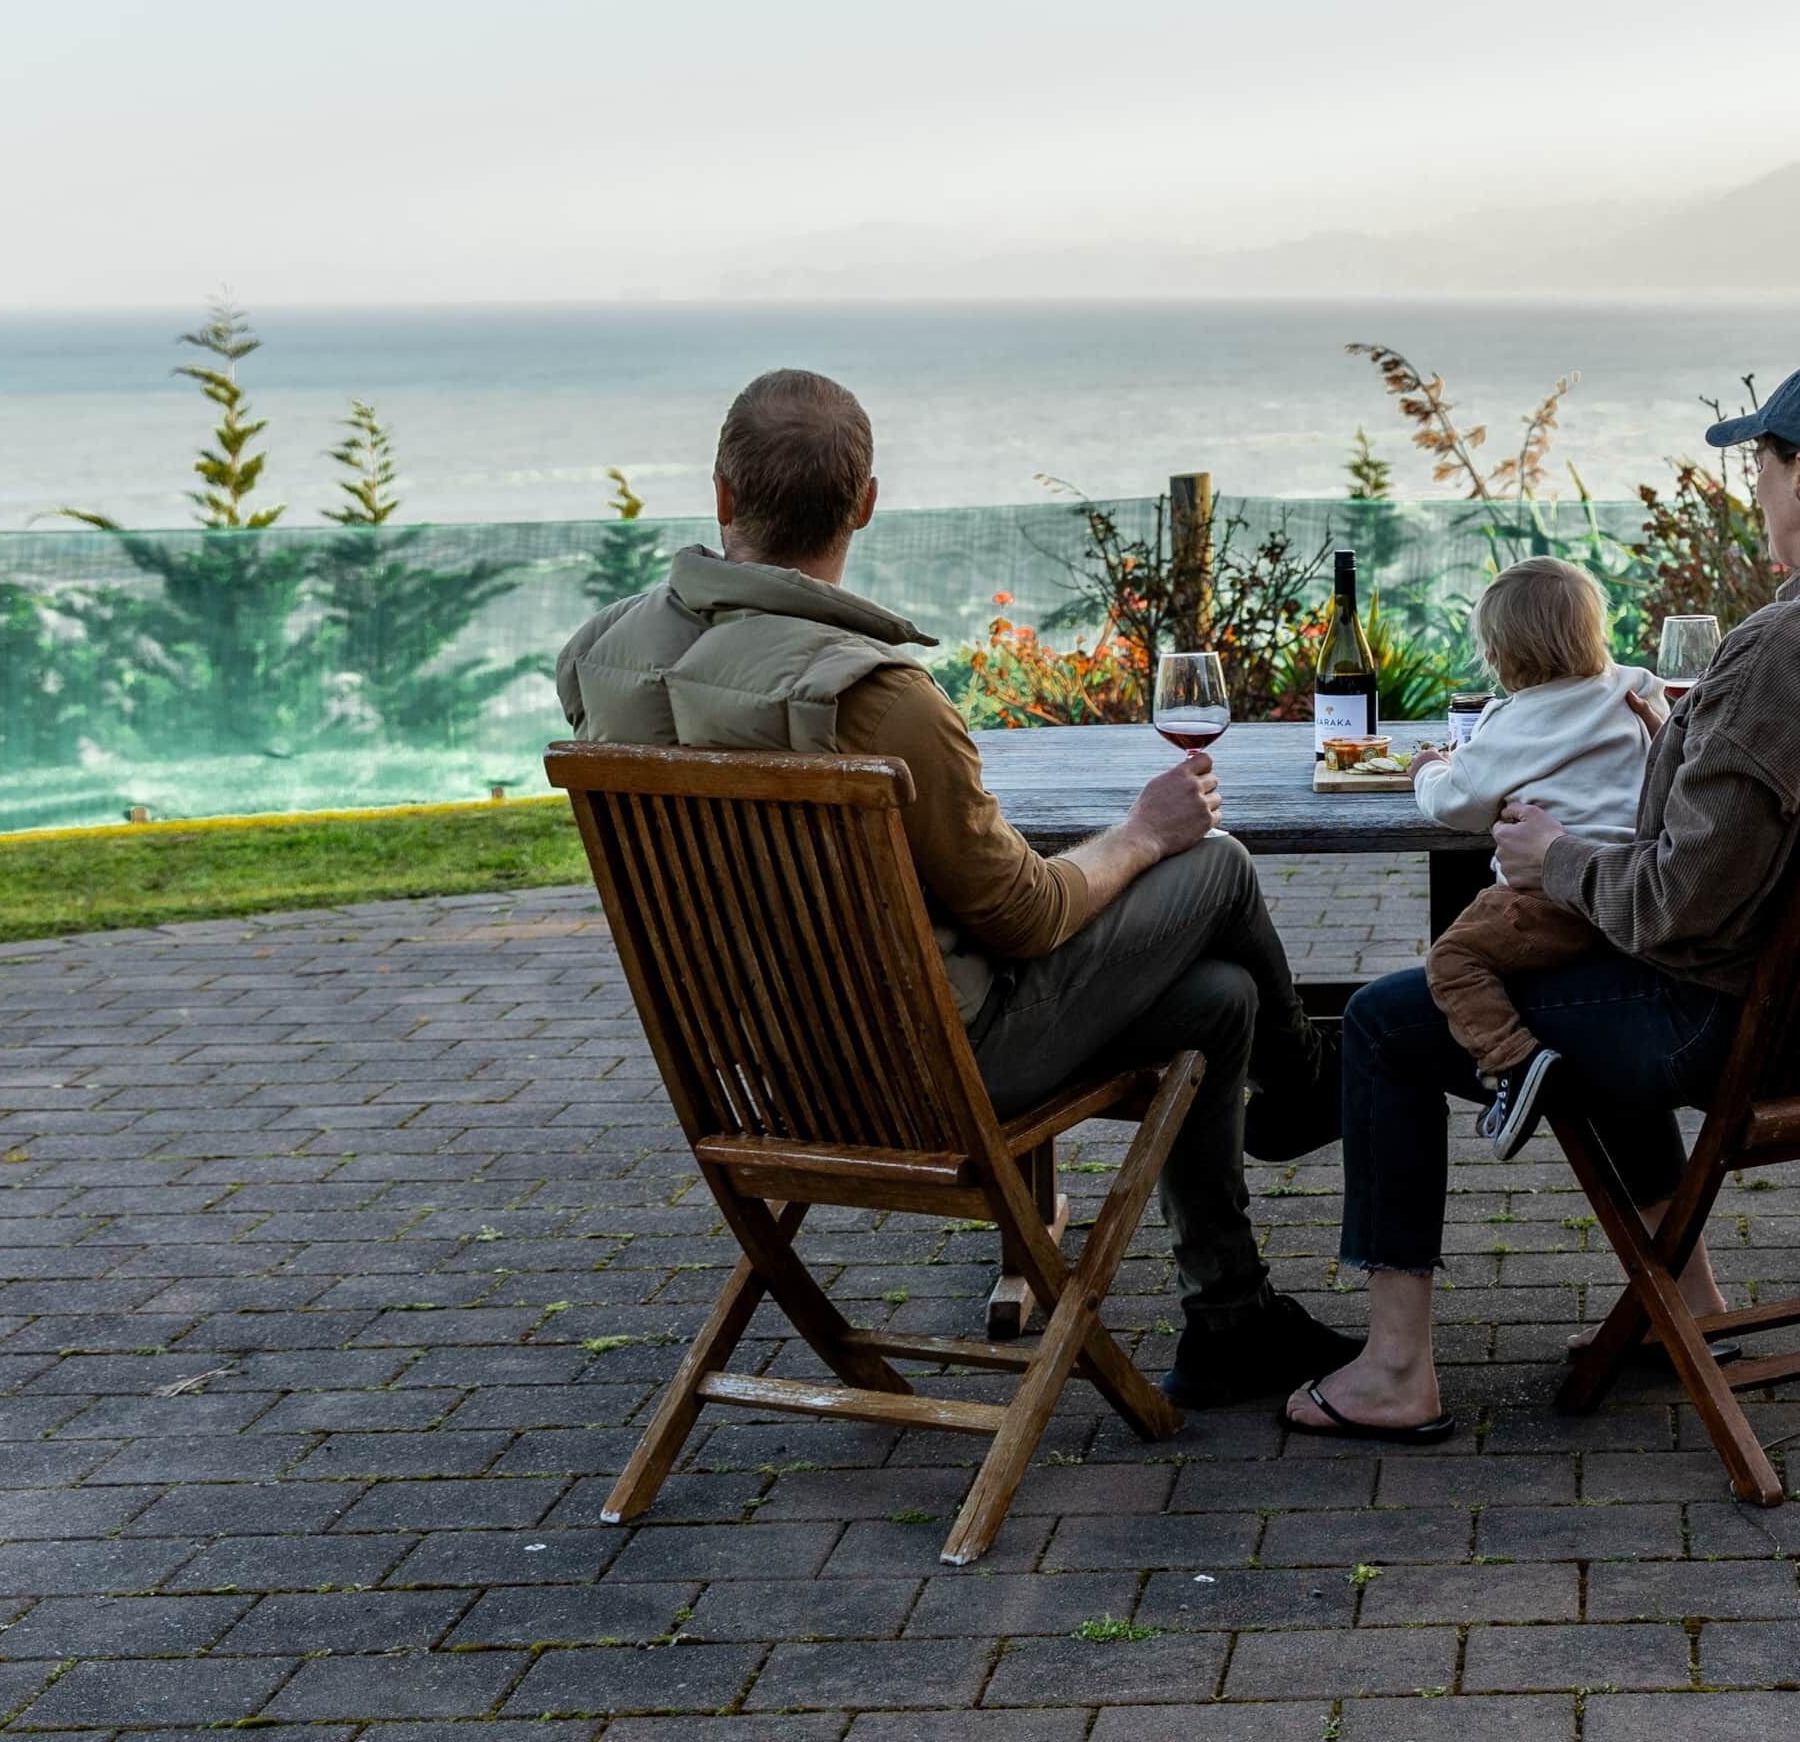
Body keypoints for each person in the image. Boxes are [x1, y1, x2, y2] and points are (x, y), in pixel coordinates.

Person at [555, 368, 1354, 1407]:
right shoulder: (879, 696)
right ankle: (1301, 1087)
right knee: (1215, 863)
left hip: (756, 1075)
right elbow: (1022, 915)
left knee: (1219, 1002)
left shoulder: (602, 658)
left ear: (720, 495)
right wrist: (1143, 833)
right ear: (867, 503)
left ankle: (1231, 1315)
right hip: (930, 1074)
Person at [1280, 354, 1800, 1442]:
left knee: (1385, 1022)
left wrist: (1555, 858)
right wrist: (1688, 749)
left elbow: (1677, 909)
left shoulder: (1787, 646)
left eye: (1761, 462)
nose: (1755, 485)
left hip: (1738, 1022)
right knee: (1585, 990)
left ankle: (1393, 1368)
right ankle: (1689, 1311)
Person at [1406, 556, 1669, 1159]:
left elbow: (1458, 805)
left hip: (1546, 899)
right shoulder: (1636, 688)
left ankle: (1514, 1064)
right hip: (1624, 894)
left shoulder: (1512, 721)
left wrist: (1427, 769)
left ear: (1500, 656)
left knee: (1454, 958)